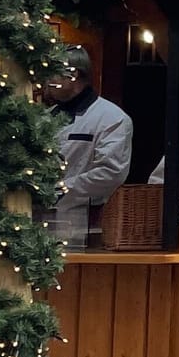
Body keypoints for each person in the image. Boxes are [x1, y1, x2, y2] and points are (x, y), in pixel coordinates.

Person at [43, 47, 133, 238]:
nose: (46, 82)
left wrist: (59, 189)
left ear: (73, 74)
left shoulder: (111, 118)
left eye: (51, 73)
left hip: (84, 226)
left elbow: (112, 173)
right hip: (37, 222)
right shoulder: (44, 118)